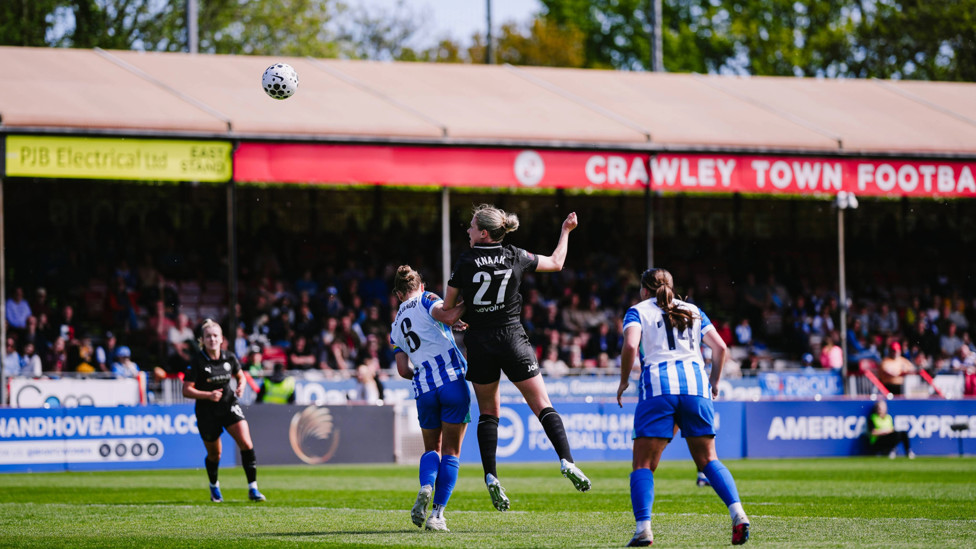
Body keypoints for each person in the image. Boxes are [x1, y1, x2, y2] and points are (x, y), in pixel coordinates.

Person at [443, 204, 591, 512]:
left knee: (488, 412)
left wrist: (462, 313)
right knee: (542, 404)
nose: (468, 231)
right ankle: (566, 460)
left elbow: (447, 309)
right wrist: (565, 231)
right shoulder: (515, 255)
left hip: (481, 343)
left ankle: (491, 476)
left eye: (471, 227)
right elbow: (556, 262)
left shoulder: (466, 260)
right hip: (512, 338)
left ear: (483, 233)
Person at [617, 268, 750, 546]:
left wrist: (623, 382)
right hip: (695, 387)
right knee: (708, 460)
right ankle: (738, 513)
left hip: (658, 388)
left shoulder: (637, 311)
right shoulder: (693, 310)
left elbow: (630, 346)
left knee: (643, 464)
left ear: (644, 290)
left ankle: (644, 529)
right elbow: (721, 348)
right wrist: (713, 383)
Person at [389, 265, 468, 532]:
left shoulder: (396, 325)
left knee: (431, 449)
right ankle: (437, 515)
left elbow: (402, 369)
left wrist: (423, 375)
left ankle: (425, 485)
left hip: (424, 389)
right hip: (451, 381)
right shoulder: (427, 298)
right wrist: (467, 305)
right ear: (420, 285)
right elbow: (444, 315)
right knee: (451, 452)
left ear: (399, 294)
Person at [182, 318, 266, 503]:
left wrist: (241, 386)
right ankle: (214, 487)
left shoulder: (229, 357)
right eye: (208, 336)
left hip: (228, 404)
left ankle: (253, 488)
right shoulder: (197, 361)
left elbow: (240, 375)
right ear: (202, 340)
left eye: (215, 336)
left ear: (221, 339)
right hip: (206, 412)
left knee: (246, 442)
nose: (212, 339)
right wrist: (208, 395)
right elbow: (186, 390)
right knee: (215, 454)